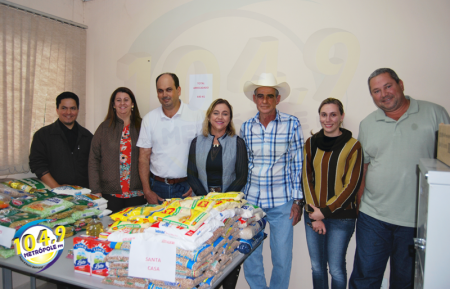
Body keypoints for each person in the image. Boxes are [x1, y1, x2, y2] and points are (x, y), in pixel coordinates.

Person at [349, 68, 450, 289]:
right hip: (373, 217)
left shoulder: (435, 114)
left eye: (388, 86)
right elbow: (363, 168)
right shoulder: (368, 124)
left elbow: (446, 165)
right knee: (364, 278)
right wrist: (358, 204)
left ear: (400, 84)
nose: (383, 94)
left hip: (415, 220)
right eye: (376, 91)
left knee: (405, 282)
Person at [240, 73, 305, 289]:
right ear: (254, 98)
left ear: (278, 99)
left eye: (270, 96)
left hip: (282, 202)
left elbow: (298, 164)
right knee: (250, 255)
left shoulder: (292, 124)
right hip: (252, 203)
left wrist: (298, 201)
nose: (265, 101)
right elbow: (243, 165)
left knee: (282, 258)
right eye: (260, 96)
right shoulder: (246, 127)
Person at [303, 98, 363, 289]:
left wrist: (325, 212)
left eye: (333, 114)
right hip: (314, 215)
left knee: (336, 269)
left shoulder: (353, 146)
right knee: (317, 268)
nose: (328, 119)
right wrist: (315, 215)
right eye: (323, 114)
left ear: (341, 117)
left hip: (341, 218)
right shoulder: (311, 143)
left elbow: (352, 185)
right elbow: (306, 178)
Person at [187, 98, 248, 289]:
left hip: (228, 209)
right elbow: (191, 173)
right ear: (209, 116)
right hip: (203, 208)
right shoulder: (197, 142)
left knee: (227, 253)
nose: (220, 117)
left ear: (229, 118)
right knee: (207, 255)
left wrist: (221, 202)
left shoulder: (237, 142)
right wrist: (207, 201)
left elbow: (241, 176)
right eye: (216, 113)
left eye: (225, 113)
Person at [137, 73, 203, 204]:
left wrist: (197, 185)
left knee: (188, 224)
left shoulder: (197, 116)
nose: (164, 95)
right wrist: (147, 191)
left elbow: (203, 154)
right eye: (160, 91)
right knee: (157, 224)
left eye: (169, 89)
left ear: (178, 90)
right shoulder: (149, 119)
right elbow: (143, 157)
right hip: (157, 187)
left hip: (187, 187)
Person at [88, 87, 146, 213]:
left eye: (126, 100)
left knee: (135, 230)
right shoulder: (104, 128)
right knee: (110, 229)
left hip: (137, 193)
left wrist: (149, 188)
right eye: (118, 100)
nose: (122, 103)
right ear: (113, 105)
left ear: (132, 103)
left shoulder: (143, 126)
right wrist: (95, 190)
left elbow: (151, 157)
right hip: (110, 194)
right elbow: (93, 159)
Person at [29, 91, 93, 188]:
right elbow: (37, 165)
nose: (68, 112)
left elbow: (94, 165)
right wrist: (57, 187)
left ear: (78, 110)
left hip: (84, 192)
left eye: (72, 108)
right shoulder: (43, 135)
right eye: (64, 108)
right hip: (54, 193)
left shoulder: (87, 136)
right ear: (57, 110)